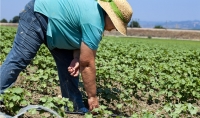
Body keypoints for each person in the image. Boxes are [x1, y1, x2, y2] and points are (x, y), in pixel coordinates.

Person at [0, 0, 133, 113]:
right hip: (38, 14)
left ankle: (74, 108)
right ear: (109, 15)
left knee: (70, 69)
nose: (113, 29)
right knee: (19, 58)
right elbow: (87, 64)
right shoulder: (95, 22)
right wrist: (92, 97)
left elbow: (77, 39)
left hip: (57, 29)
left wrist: (76, 58)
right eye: (116, 25)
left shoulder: (94, 14)